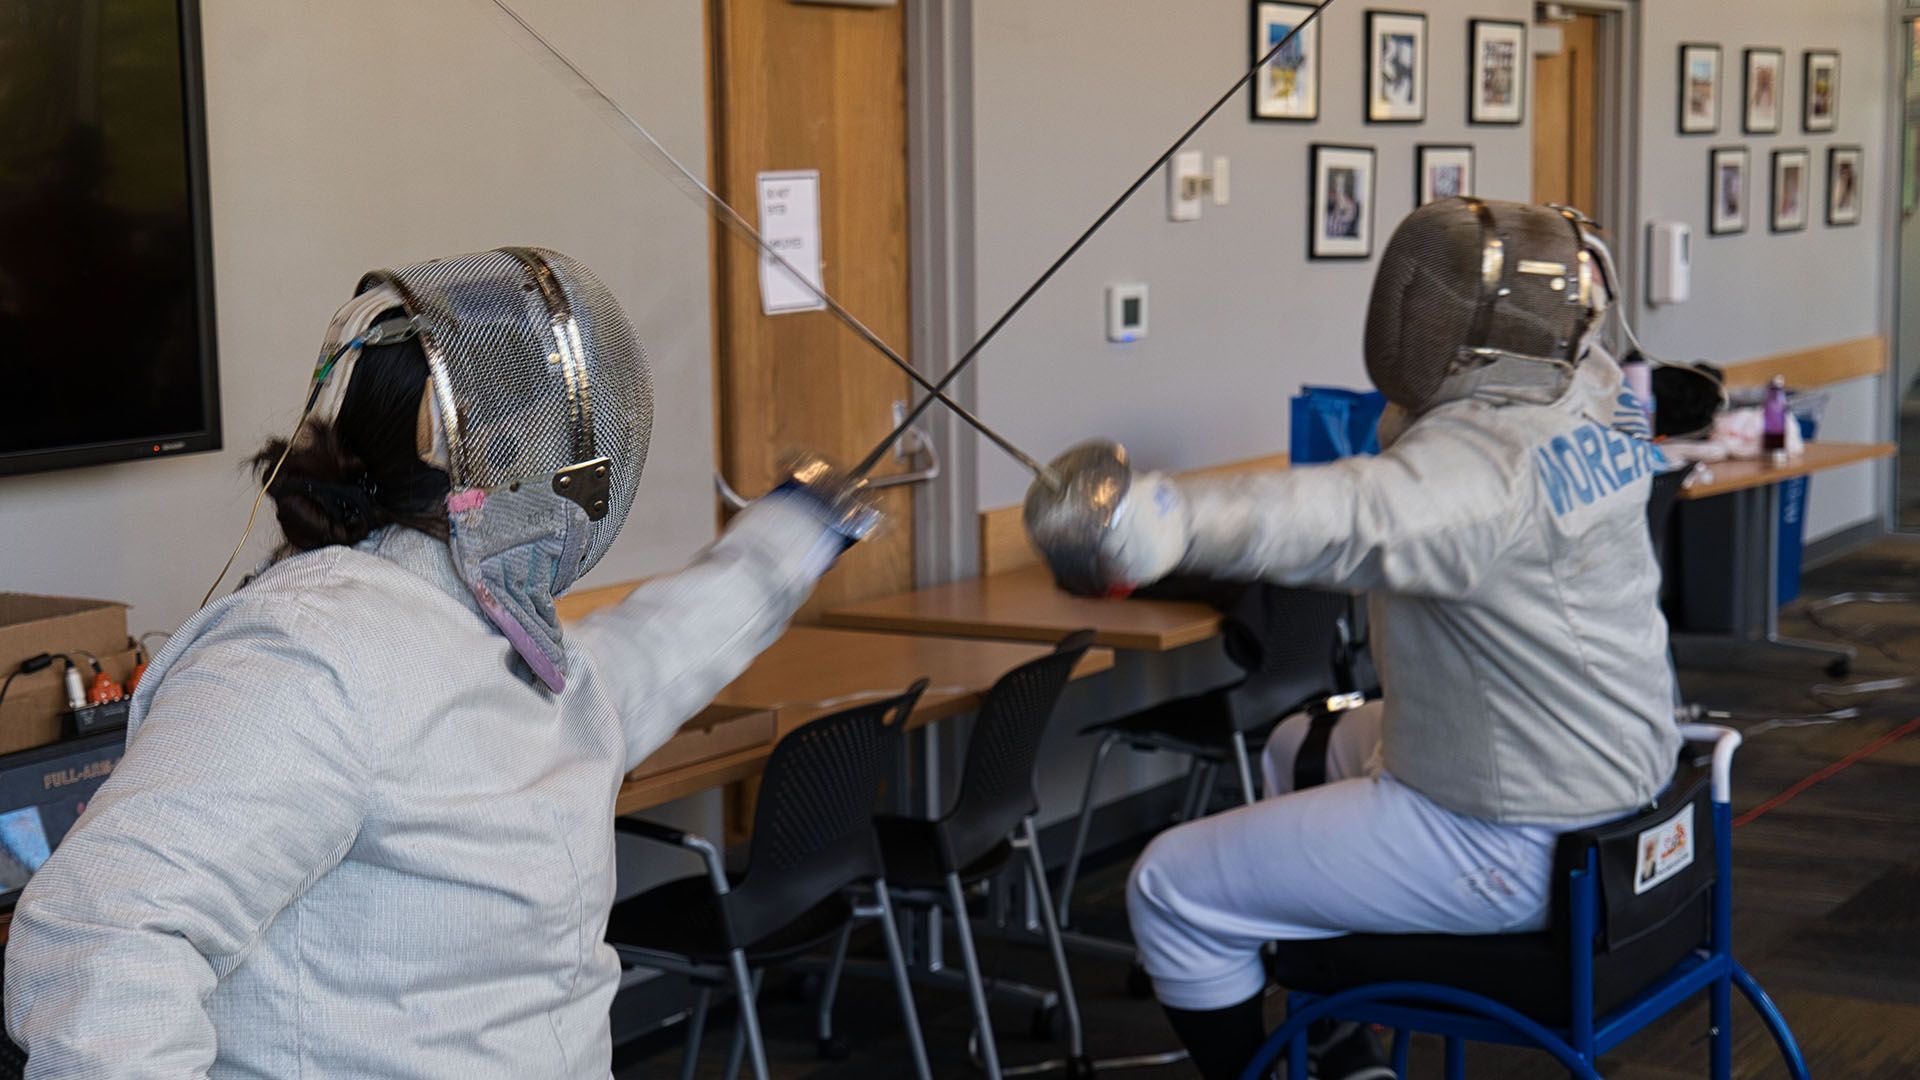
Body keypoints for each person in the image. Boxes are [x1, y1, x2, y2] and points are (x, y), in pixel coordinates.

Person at [2, 248, 872, 1078]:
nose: (580, 470)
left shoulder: (499, 635)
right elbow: (103, 934)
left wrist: (792, 535)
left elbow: (654, 653)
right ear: (483, 454)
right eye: (555, 436)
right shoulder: (309, 656)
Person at [1024, 200, 1680, 1080]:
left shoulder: (1485, 469)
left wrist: (1163, 518)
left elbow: (1352, 515)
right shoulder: (1588, 395)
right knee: (1302, 745)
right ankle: (1339, 1044)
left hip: (1512, 832)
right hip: (1617, 778)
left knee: (1170, 886)